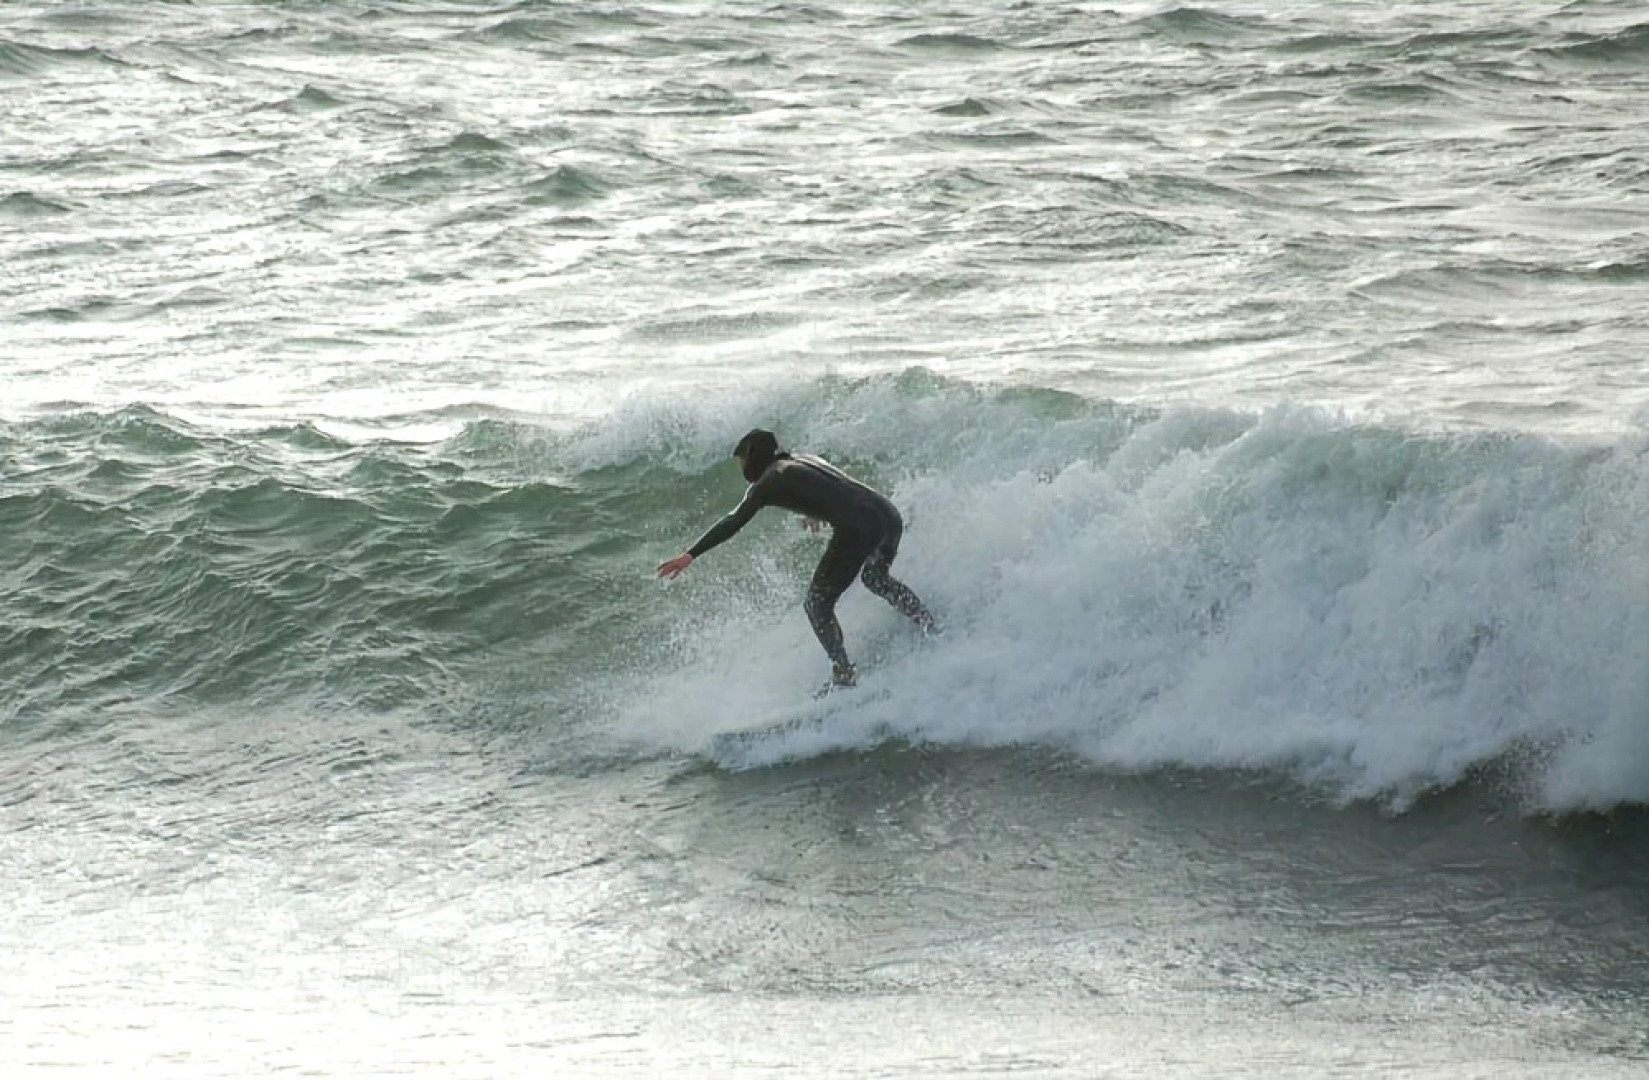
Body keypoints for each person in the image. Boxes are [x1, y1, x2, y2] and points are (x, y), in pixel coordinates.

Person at [657, 428, 938, 688]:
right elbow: (833, 489)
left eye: (742, 460)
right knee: (875, 578)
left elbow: (734, 520)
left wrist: (690, 554)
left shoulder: (769, 480)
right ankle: (928, 624)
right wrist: (814, 509)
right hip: (888, 515)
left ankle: (844, 674)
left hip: (860, 529)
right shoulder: (805, 459)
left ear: (753, 456)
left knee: (817, 604)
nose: (741, 467)